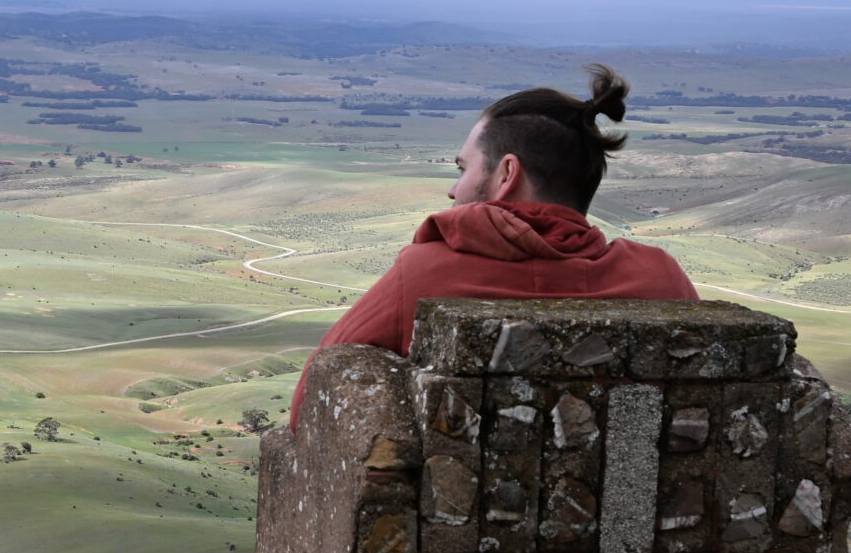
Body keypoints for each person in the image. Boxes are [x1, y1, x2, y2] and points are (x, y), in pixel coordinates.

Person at [289, 64, 695, 421]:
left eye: (462, 169)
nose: (453, 190)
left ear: (506, 175)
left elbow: (313, 402)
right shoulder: (661, 279)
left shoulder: (423, 274)